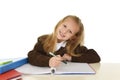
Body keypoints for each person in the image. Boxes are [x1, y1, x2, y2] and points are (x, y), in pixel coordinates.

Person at [28, 15, 101, 68]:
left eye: (70, 31)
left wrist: (71, 58)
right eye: (64, 26)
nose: (64, 31)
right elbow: (32, 55)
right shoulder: (43, 40)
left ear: (73, 37)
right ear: (59, 24)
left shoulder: (74, 47)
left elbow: (95, 57)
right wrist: (48, 61)